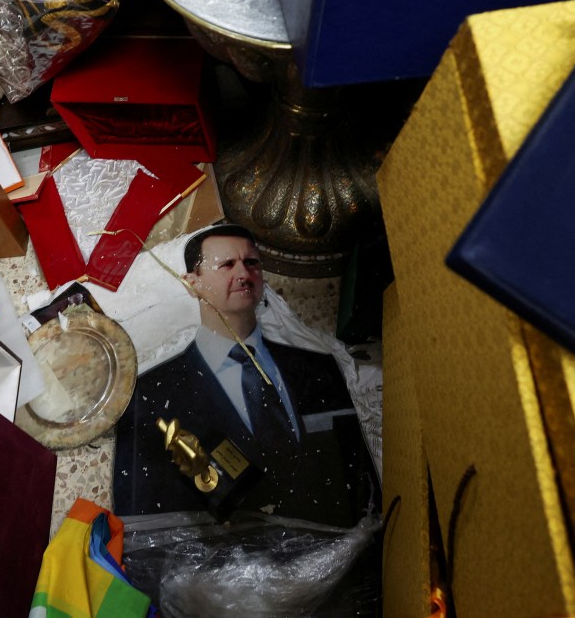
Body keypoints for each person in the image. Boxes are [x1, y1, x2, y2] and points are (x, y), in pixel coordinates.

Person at [112, 224, 378, 527]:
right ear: (191, 283)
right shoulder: (150, 392)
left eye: (251, 263)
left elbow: (361, 485)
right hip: (219, 566)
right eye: (226, 265)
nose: (243, 274)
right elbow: (143, 521)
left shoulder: (318, 369)